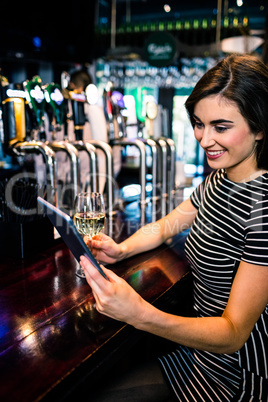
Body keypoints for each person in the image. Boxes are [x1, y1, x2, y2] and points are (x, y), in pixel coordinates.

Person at [80, 54, 268, 401]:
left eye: (220, 127)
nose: (204, 139)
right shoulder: (221, 180)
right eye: (199, 123)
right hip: (202, 357)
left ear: (260, 128)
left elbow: (234, 333)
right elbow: (168, 225)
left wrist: (141, 314)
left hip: (242, 376)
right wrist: (121, 249)